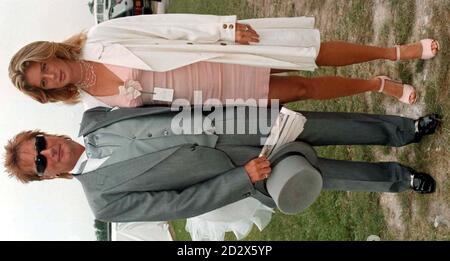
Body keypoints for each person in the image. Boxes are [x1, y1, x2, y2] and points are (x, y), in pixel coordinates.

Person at [4, 106, 441, 225]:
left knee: (325, 125)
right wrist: (239, 179)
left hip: (228, 120)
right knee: (326, 175)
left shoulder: (95, 118)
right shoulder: (102, 201)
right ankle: (400, 179)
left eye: (39, 143)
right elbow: (179, 205)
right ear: (49, 176)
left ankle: (404, 129)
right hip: (234, 168)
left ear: (45, 133)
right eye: (39, 163)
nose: (47, 152)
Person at [9, 14, 439, 109]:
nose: (50, 74)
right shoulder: (94, 99)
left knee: (309, 54)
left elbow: (166, 26)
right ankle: (378, 85)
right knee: (301, 89)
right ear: (48, 91)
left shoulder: (100, 38)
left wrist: (221, 29)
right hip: (216, 93)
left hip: (216, 53)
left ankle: (396, 51)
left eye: (43, 65)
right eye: (43, 81)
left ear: (49, 53)